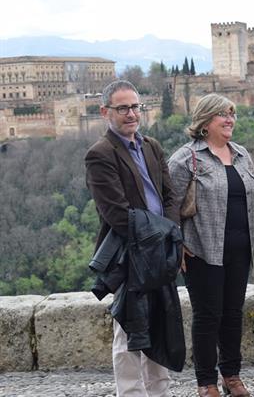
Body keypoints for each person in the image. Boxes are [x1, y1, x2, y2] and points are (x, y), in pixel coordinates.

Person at [85, 80, 179, 396]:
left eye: (135, 107)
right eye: (122, 108)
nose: (131, 114)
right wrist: (161, 236)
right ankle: (130, 393)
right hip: (129, 255)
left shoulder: (151, 145)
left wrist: (171, 236)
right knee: (128, 330)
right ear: (105, 112)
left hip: (160, 252)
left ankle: (160, 392)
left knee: (160, 325)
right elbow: (117, 214)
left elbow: (169, 196)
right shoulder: (99, 154)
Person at [168, 94, 254, 397]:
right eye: (223, 115)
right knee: (208, 316)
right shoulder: (186, 158)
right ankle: (206, 382)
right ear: (205, 122)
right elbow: (169, 207)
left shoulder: (242, 154)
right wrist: (176, 243)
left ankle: (232, 376)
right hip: (202, 249)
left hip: (240, 249)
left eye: (232, 114)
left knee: (233, 313)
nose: (230, 120)